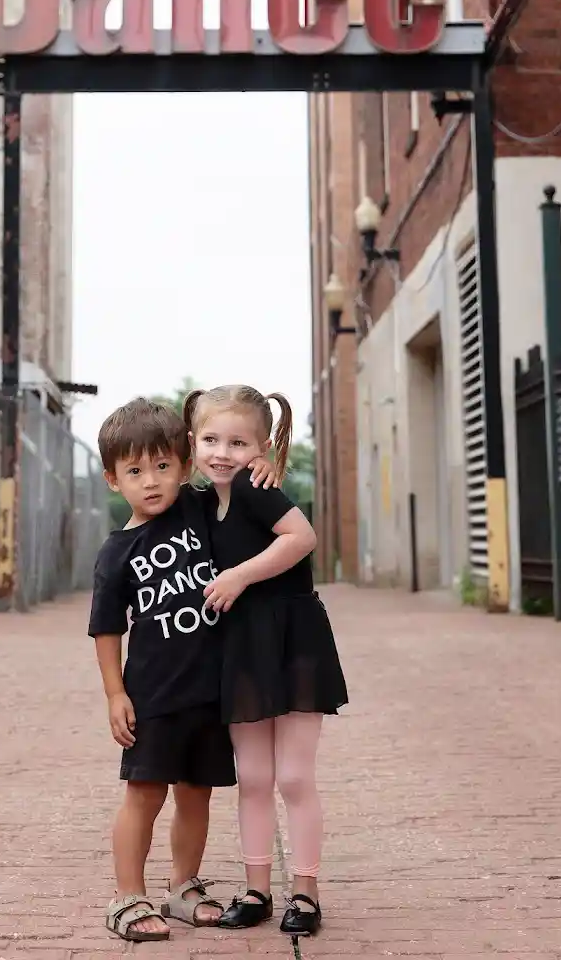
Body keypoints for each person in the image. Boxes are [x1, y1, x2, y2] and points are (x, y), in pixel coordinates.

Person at [87, 397, 277, 943]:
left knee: (196, 794)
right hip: (153, 695)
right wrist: (115, 694)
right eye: (135, 472)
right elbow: (106, 629)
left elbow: (235, 471)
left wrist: (264, 465)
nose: (151, 481)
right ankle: (127, 896)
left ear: (185, 464)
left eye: (163, 466)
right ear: (112, 479)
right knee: (145, 795)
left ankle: (183, 887)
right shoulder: (116, 553)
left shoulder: (198, 508)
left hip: (210, 692)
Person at [184, 384, 348, 939]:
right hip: (241, 646)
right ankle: (257, 890)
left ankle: (305, 891)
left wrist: (238, 576)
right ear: (192, 442)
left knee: (295, 776)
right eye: (211, 440)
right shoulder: (204, 503)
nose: (222, 452)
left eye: (238, 442)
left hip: (292, 641)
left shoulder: (255, 489)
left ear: (263, 448)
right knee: (253, 776)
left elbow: (301, 537)